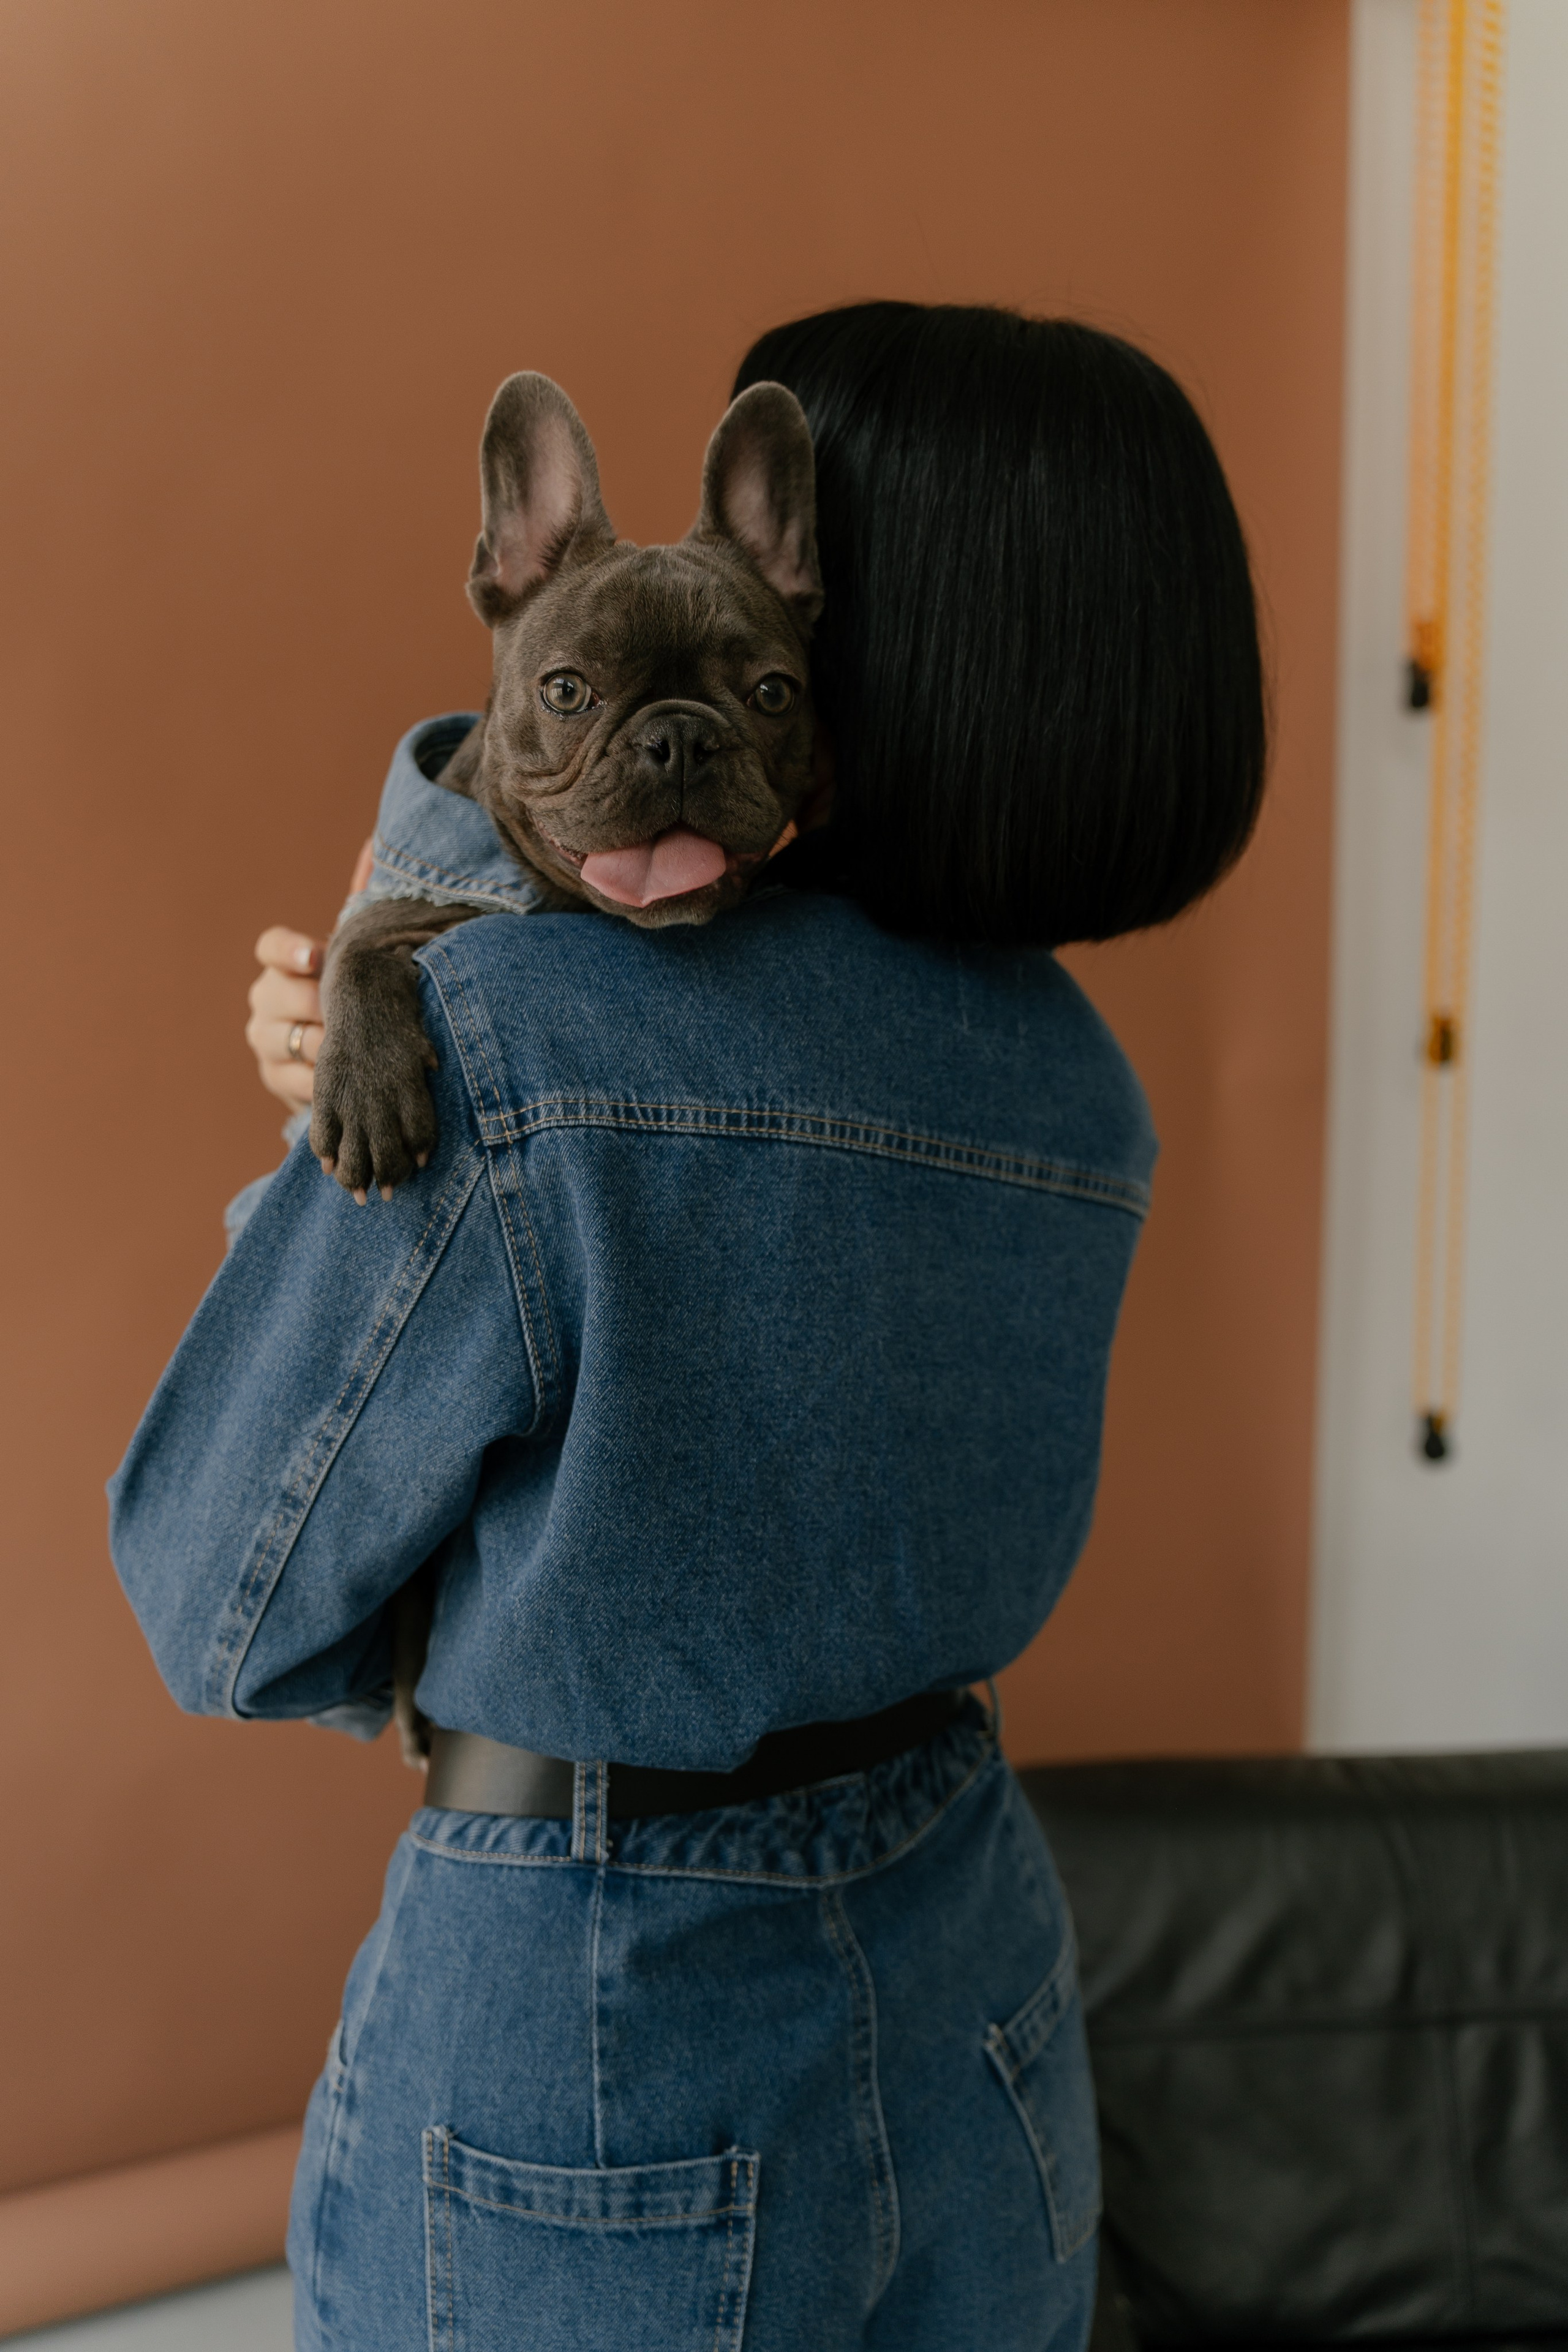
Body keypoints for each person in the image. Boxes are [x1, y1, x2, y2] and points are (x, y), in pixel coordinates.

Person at [111, 302, 1264, 2352]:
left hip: (607, 2004)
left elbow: (212, 1585)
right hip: (978, 1964)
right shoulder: (1082, 1084)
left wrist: (374, 1010)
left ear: (865, 624)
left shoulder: (513, 1037)